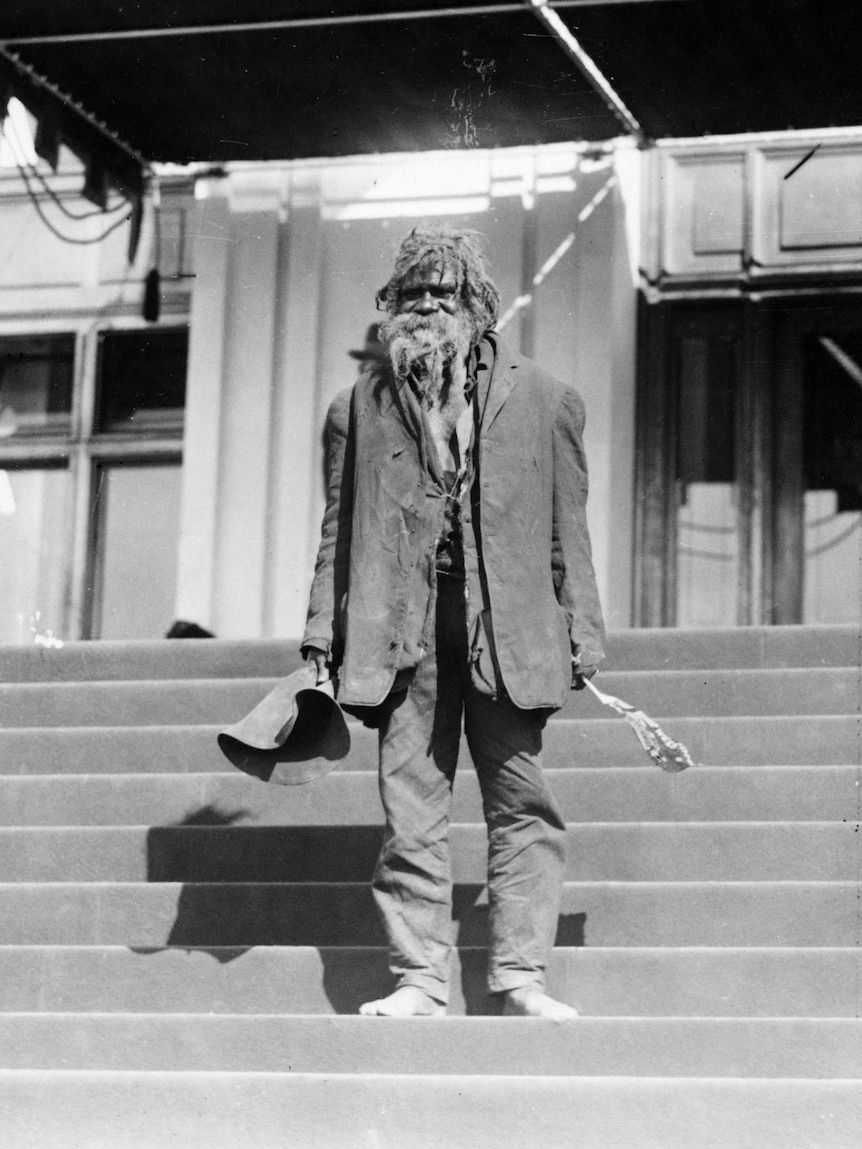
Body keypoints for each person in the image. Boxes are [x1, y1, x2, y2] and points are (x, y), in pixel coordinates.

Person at [302, 226, 605, 1019]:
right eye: (413, 293)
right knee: (411, 808)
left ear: (479, 305)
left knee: (523, 802)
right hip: (399, 631)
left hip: (506, 634)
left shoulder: (546, 398)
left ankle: (521, 976)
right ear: (390, 307)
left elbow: (568, 530)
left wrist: (584, 633)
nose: (429, 306)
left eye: (446, 292)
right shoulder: (357, 409)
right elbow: (339, 530)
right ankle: (420, 979)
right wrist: (318, 638)